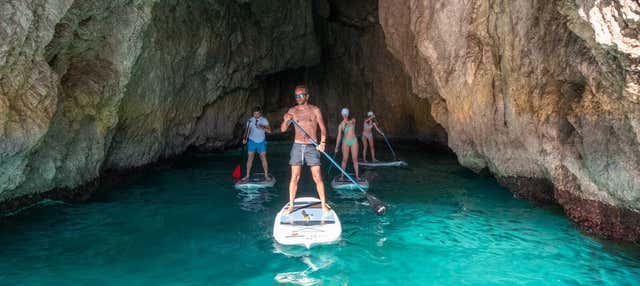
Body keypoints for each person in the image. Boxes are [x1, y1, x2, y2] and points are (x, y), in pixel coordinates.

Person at [280, 85, 329, 214]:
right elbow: (283, 129)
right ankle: (291, 206)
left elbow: (323, 128)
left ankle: (323, 205)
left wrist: (322, 142)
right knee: (295, 177)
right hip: (297, 145)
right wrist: (286, 120)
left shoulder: (315, 110)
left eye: (301, 95)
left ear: (307, 96)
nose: (298, 97)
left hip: (312, 146)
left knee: (317, 176)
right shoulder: (292, 111)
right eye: (296, 96)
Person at [242, 105, 271, 181]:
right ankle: (247, 175)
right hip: (252, 141)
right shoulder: (250, 120)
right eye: (255, 114)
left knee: (263, 158)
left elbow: (269, 131)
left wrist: (262, 127)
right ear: (253, 114)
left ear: (260, 113)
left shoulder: (264, 120)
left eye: (258, 114)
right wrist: (245, 138)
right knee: (250, 158)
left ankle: (266, 175)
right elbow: (247, 130)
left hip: (261, 141)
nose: (256, 115)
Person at [335, 108, 360, 180]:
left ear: (348, 114)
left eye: (346, 114)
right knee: (344, 159)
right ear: (342, 114)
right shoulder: (340, 125)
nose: (345, 115)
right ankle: (342, 176)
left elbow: (350, 123)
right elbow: (339, 136)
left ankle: (357, 176)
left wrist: (346, 121)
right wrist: (336, 147)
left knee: (355, 159)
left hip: (353, 141)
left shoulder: (353, 120)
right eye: (344, 114)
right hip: (345, 142)